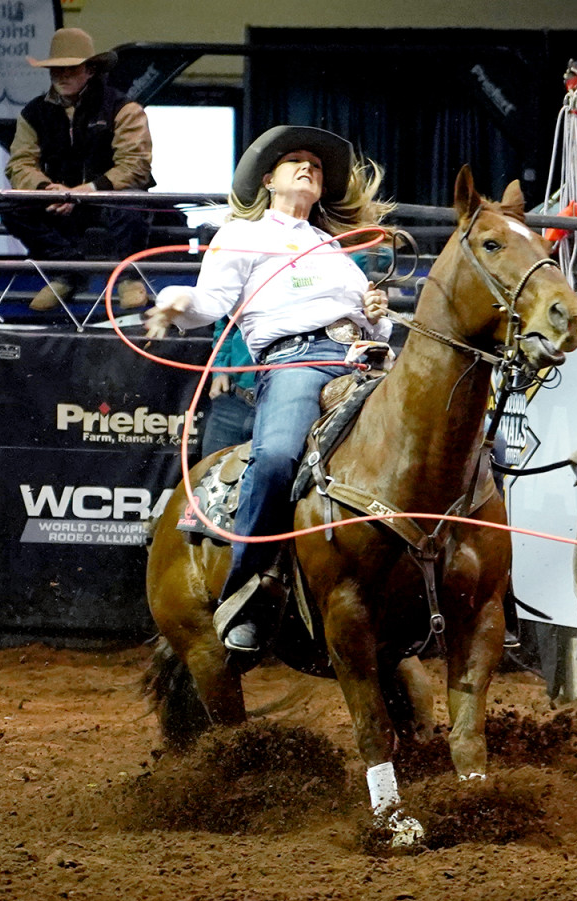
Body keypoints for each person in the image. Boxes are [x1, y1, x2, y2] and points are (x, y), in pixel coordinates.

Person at [144, 125, 392, 653]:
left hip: (364, 361)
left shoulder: (335, 247)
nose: (309, 168)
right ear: (269, 179)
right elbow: (209, 302)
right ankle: (248, 590)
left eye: (317, 166)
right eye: (296, 161)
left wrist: (377, 317)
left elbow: (372, 325)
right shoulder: (241, 233)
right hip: (295, 361)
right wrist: (174, 301)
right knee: (276, 456)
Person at [2, 28, 154, 312]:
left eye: (70, 68)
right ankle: (69, 271)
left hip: (108, 199)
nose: (62, 75)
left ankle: (129, 276)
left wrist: (84, 192)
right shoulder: (33, 113)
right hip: (59, 202)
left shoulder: (123, 109)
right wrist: (47, 191)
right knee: (11, 207)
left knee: (132, 205)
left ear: (91, 69)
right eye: (55, 69)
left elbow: (135, 165)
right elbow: (20, 163)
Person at [201, 322, 256, 459]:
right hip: (234, 398)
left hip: (276, 404)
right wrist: (220, 366)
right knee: (208, 474)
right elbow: (226, 324)